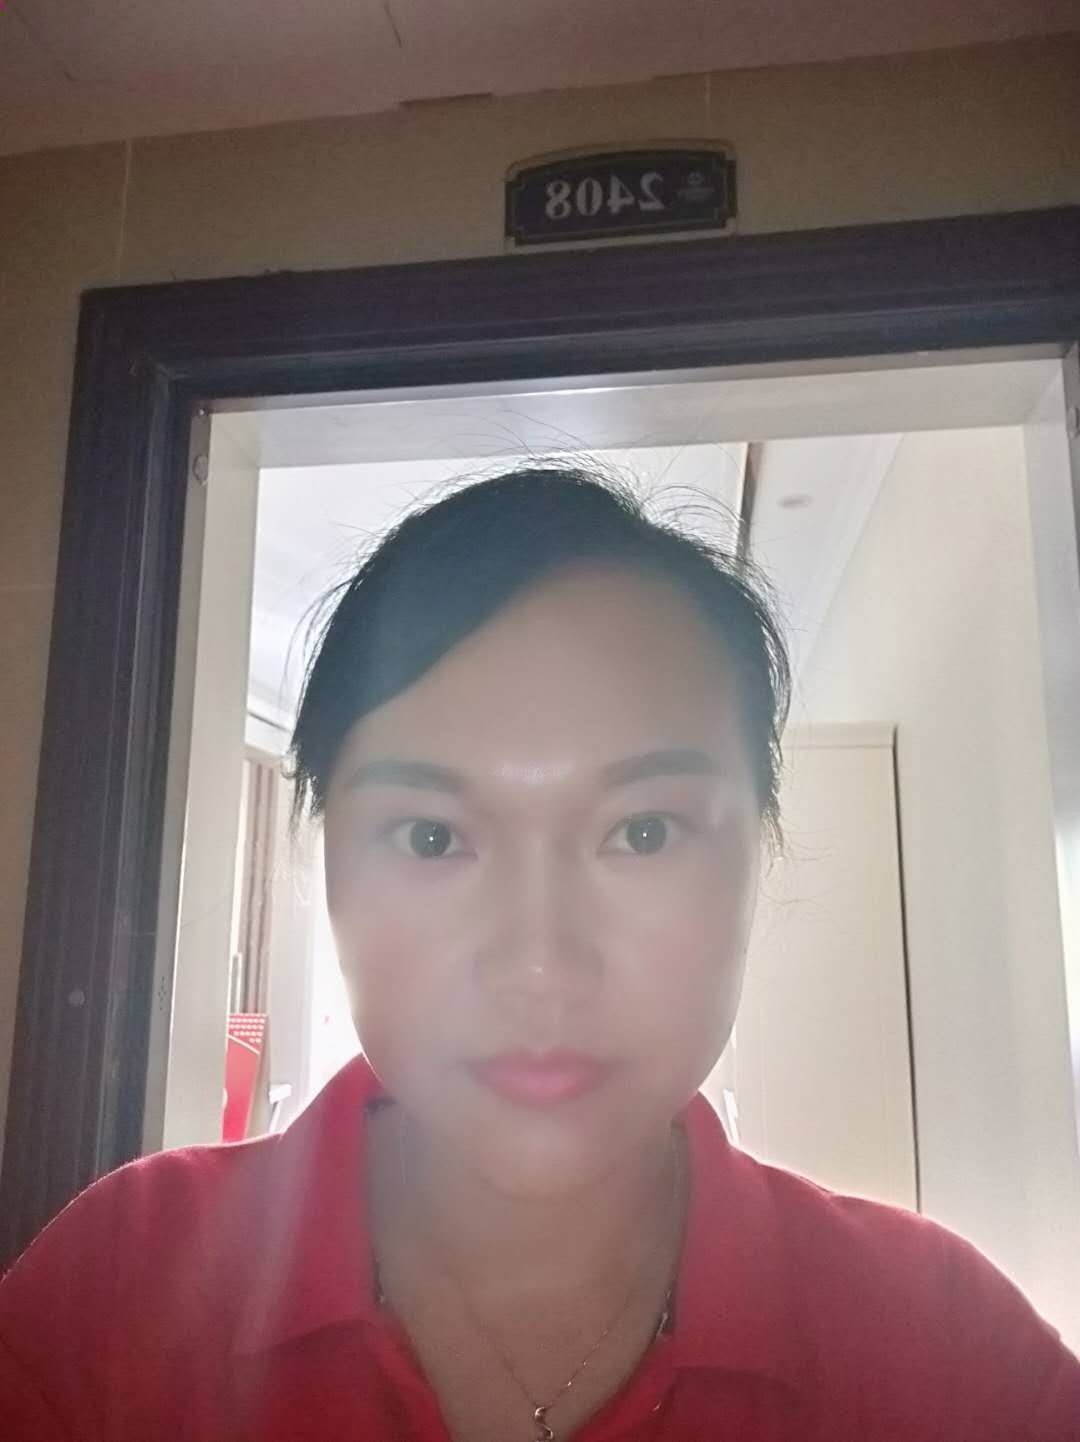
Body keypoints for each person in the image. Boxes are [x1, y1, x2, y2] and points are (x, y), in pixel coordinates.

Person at [1, 467, 1078, 1442]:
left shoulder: (944, 1347)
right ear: (325, 860)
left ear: (760, 847)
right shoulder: (119, 1288)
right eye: (433, 837)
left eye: (642, 831)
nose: (538, 966)